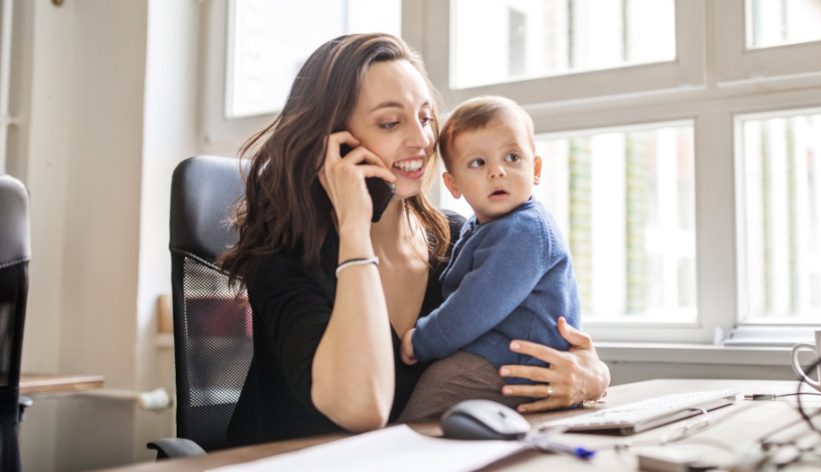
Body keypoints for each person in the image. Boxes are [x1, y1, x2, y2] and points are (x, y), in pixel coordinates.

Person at [218, 33, 610, 446]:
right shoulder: (283, 260)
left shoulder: (457, 239)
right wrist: (355, 228)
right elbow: (362, 409)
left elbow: (552, 337)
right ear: (332, 144)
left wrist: (591, 376)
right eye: (390, 123)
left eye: (424, 118)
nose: (423, 141)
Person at [397, 96, 581, 420]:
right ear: (453, 184)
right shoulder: (481, 226)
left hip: (516, 362)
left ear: (535, 169)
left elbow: (474, 305)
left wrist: (422, 341)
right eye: (478, 163)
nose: (497, 172)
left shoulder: (525, 231)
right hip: (500, 356)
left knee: (420, 413)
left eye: (512, 157)